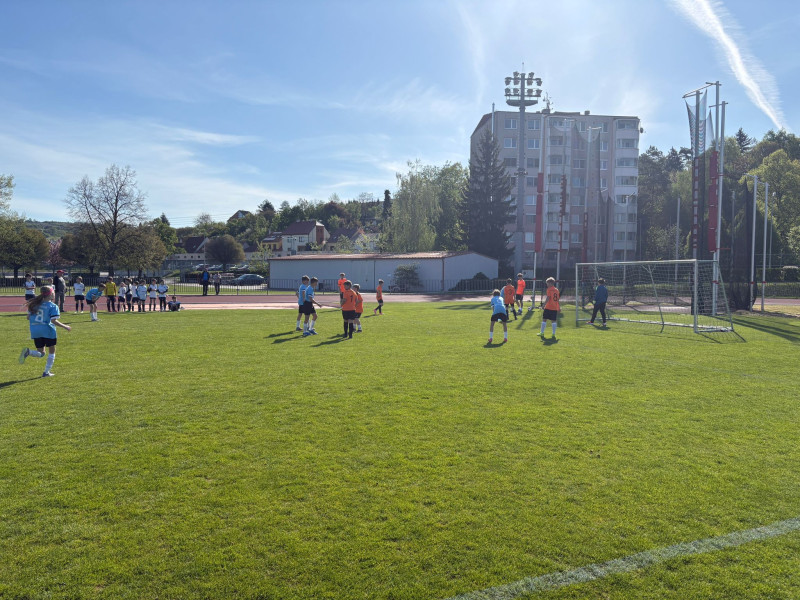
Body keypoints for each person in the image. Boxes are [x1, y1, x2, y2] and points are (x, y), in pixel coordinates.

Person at [19, 286, 71, 377]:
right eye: (53, 292)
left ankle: (29, 352)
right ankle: (46, 372)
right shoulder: (53, 306)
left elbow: (28, 317)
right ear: (51, 295)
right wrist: (65, 326)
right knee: (52, 351)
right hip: (48, 331)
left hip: (35, 331)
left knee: (41, 353)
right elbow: (53, 320)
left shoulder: (34, 304)